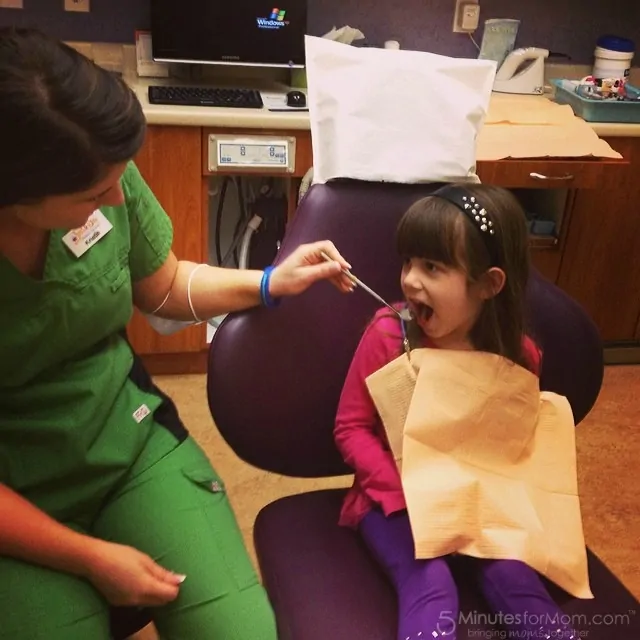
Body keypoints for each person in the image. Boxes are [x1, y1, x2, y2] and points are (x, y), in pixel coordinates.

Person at [0, 27, 353, 640]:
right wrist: (87, 557)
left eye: (118, 179)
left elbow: (160, 288)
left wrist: (270, 282)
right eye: (92, 194)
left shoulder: (97, 163)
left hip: (123, 439)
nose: (116, 198)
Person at [333, 183, 579, 640]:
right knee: (431, 587)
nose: (409, 279)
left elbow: (510, 446)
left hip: (477, 503)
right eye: (408, 261)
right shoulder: (389, 336)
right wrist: (412, 497)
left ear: (489, 284)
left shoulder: (519, 357)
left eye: (432, 267)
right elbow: (350, 428)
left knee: (517, 582)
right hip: (390, 502)